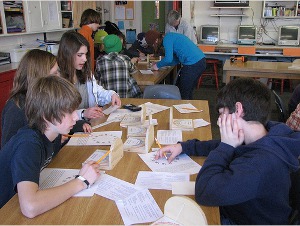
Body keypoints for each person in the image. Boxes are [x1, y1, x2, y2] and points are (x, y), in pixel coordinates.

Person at [155, 78, 300, 224]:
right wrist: (183, 147)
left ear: (238, 110)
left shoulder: (259, 164)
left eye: (221, 114)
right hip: (240, 207)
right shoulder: (266, 133)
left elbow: (204, 191)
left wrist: (226, 146)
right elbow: (219, 145)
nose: (218, 122)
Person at [0, 75, 101, 216]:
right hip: (6, 211)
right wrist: (81, 181)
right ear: (46, 115)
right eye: (69, 112)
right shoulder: (28, 144)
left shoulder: (54, 133)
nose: (76, 117)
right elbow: (30, 207)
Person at [57, 31, 121, 121]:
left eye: (85, 54)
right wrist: (83, 113)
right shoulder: (57, 79)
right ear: (67, 54)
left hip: (90, 124)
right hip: (72, 130)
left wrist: (111, 95)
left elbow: (96, 92)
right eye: (80, 55)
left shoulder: (84, 72)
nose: (85, 59)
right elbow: (58, 114)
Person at [1, 49, 59, 148]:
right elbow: (8, 151)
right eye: (54, 74)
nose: (59, 77)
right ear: (40, 76)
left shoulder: (43, 98)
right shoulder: (16, 108)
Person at [147, 31, 205, 100]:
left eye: (153, 45)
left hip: (193, 64)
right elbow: (175, 60)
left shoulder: (167, 39)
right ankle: (188, 108)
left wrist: (157, 66)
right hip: (200, 62)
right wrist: (159, 64)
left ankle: (184, 109)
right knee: (188, 91)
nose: (154, 46)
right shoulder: (170, 37)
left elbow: (168, 59)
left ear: (156, 41)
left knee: (183, 92)